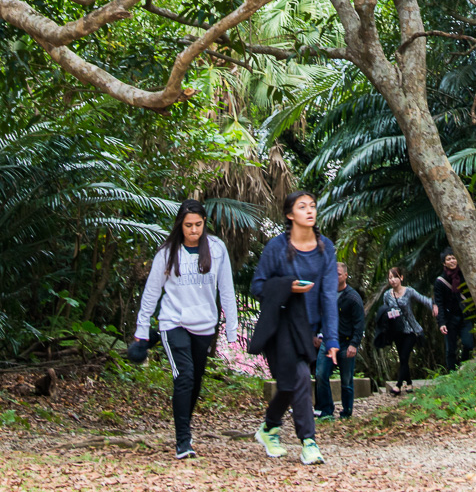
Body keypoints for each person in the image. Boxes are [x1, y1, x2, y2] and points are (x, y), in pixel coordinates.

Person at [131, 200, 238, 460]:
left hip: (204, 325)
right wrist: (142, 328)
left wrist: (232, 331)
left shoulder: (217, 248)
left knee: (196, 382)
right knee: (185, 376)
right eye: (188, 225)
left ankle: (184, 427)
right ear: (181, 224)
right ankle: (183, 441)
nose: (193, 230)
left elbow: (226, 289)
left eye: (198, 225)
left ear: (204, 223)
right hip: (173, 322)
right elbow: (151, 293)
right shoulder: (167, 253)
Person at [248, 191, 338, 466]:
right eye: (302, 207)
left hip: (306, 328)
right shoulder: (276, 247)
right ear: (290, 215)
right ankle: (309, 442)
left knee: (289, 384)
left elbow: (329, 295)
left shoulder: (326, 248)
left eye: (312, 206)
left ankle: (269, 428)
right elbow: (257, 286)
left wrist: (332, 338)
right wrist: (288, 286)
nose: (310, 211)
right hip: (280, 326)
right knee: (299, 378)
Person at [373, 266, 435, 394]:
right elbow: (385, 311)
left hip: (410, 330)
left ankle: (398, 385)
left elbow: (422, 299)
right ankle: (410, 383)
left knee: (404, 356)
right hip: (397, 330)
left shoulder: (409, 291)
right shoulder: (387, 295)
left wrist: (434, 306)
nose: (393, 280)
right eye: (390, 278)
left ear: (401, 277)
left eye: (395, 277)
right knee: (402, 358)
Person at [314, 262, 364, 420]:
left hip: (346, 343)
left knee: (346, 380)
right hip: (327, 342)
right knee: (321, 375)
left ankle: (347, 412)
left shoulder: (353, 297)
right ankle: (326, 409)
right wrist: (315, 334)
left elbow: (359, 323)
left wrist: (354, 344)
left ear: (345, 276)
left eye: (338, 274)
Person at [432, 250, 475, 372]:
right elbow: (439, 302)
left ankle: (464, 368)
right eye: (448, 259)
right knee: (450, 349)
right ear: (444, 263)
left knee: (468, 344)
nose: (452, 261)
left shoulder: (464, 276)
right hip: (449, 318)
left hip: (465, 316)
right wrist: (441, 323)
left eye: (453, 258)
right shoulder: (440, 281)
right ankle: (452, 374)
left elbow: (473, 296)